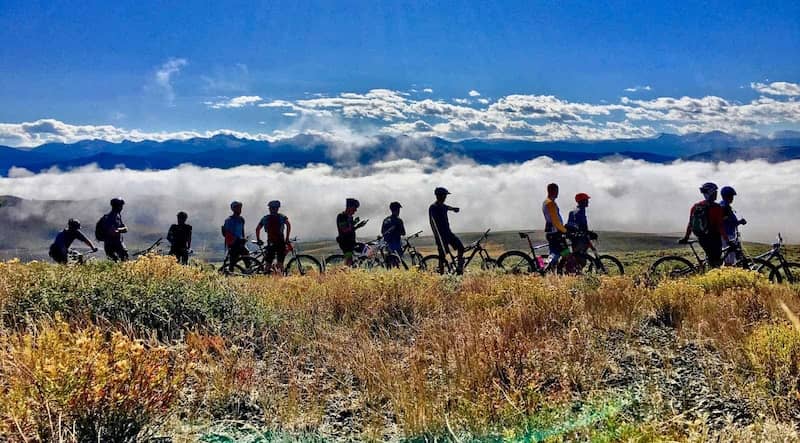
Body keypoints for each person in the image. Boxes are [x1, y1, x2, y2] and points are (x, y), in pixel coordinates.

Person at [680, 182, 728, 269]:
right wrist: (727, 239)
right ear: (710, 193)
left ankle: (706, 271)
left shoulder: (696, 206)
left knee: (711, 259)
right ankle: (709, 279)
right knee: (716, 263)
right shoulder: (716, 207)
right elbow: (720, 226)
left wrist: (686, 237)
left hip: (702, 238)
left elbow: (690, 223)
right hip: (714, 238)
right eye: (715, 192)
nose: (716, 194)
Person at [429, 187, 464, 274]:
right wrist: (438, 236)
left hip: (448, 233)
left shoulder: (442, 206)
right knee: (442, 256)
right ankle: (441, 275)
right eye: (444, 195)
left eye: (445, 195)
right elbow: (432, 223)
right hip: (441, 236)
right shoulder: (433, 207)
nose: (445, 197)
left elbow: (447, 207)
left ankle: (459, 268)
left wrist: (454, 209)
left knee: (461, 247)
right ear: (439, 196)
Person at [565, 193, 598, 272]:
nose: (588, 202)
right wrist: (589, 233)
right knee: (581, 259)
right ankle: (573, 274)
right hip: (580, 239)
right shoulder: (580, 211)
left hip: (574, 238)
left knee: (577, 258)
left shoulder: (573, 211)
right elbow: (582, 226)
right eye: (586, 200)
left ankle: (573, 273)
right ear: (582, 201)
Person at [256, 200, 292, 274]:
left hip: (271, 242)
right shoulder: (282, 217)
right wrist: (287, 238)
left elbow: (257, 229)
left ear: (270, 208)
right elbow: (288, 224)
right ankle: (280, 278)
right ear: (277, 208)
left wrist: (258, 239)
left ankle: (265, 277)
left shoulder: (265, 218)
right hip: (280, 241)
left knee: (268, 263)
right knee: (280, 262)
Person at [542, 183, 569, 271]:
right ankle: (542, 267)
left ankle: (544, 268)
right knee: (564, 253)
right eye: (557, 191)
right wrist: (565, 230)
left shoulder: (546, 202)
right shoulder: (550, 203)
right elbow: (555, 221)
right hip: (556, 233)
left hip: (552, 232)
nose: (558, 193)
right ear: (552, 191)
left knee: (555, 254)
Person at [719, 186, 747, 265]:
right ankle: (727, 275)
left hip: (727, 235)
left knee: (730, 258)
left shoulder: (724, 205)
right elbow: (727, 222)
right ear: (727, 196)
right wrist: (740, 222)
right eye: (731, 196)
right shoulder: (724, 207)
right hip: (727, 236)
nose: (732, 198)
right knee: (729, 260)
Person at [336, 198, 367, 267]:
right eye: (354, 208)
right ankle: (344, 274)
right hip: (345, 243)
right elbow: (345, 230)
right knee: (348, 261)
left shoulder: (350, 217)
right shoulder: (341, 216)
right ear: (349, 207)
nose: (355, 210)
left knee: (365, 249)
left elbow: (350, 228)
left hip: (351, 242)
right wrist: (357, 226)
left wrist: (356, 223)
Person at [100, 197, 129, 262]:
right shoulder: (113, 217)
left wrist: (121, 229)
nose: (122, 208)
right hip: (116, 243)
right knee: (124, 259)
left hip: (108, 244)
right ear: (118, 206)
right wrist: (122, 229)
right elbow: (113, 231)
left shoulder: (116, 216)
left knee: (114, 262)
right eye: (121, 206)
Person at [222, 201, 248, 272]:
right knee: (233, 260)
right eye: (237, 208)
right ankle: (230, 274)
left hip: (240, 242)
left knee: (246, 255)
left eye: (240, 208)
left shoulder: (241, 219)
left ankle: (248, 271)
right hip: (233, 244)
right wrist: (233, 241)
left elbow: (242, 231)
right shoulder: (228, 220)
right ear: (233, 209)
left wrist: (243, 239)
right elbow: (226, 233)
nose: (239, 210)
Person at [381, 201, 406, 267]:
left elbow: (382, 232)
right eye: (399, 209)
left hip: (387, 244)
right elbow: (403, 233)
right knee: (397, 262)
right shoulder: (399, 220)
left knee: (389, 263)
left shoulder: (385, 220)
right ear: (397, 210)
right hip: (396, 244)